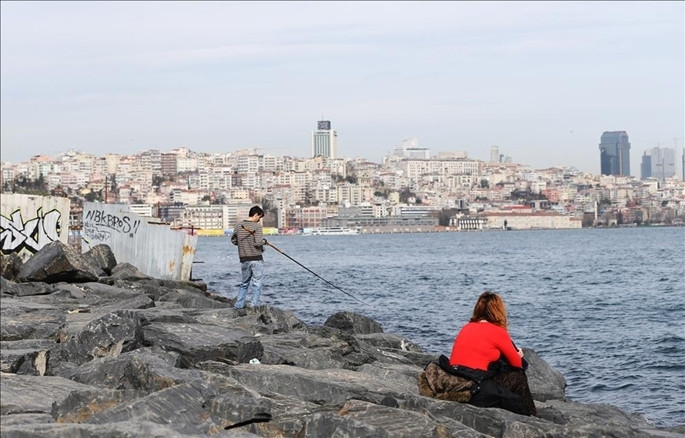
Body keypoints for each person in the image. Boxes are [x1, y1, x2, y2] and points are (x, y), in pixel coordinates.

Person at [448, 291, 536, 416]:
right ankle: (530, 415)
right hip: (475, 390)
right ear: (498, 311)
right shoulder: (497, 331)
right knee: (518, 376)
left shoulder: (466, 327)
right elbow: (517, 364)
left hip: (456, 384)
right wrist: (519, 355)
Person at [230, 206, 268, 309]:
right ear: (256, 215)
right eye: (259, 217)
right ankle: (253, 305)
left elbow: (233, 240)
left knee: (244, 283)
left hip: (244, 258)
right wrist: (264, 242)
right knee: (257, 283)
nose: (259, 220)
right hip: (256, 258)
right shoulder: (257, 226)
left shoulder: (239, 225)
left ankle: (239, 305)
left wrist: (243, 245)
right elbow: (258, 243)